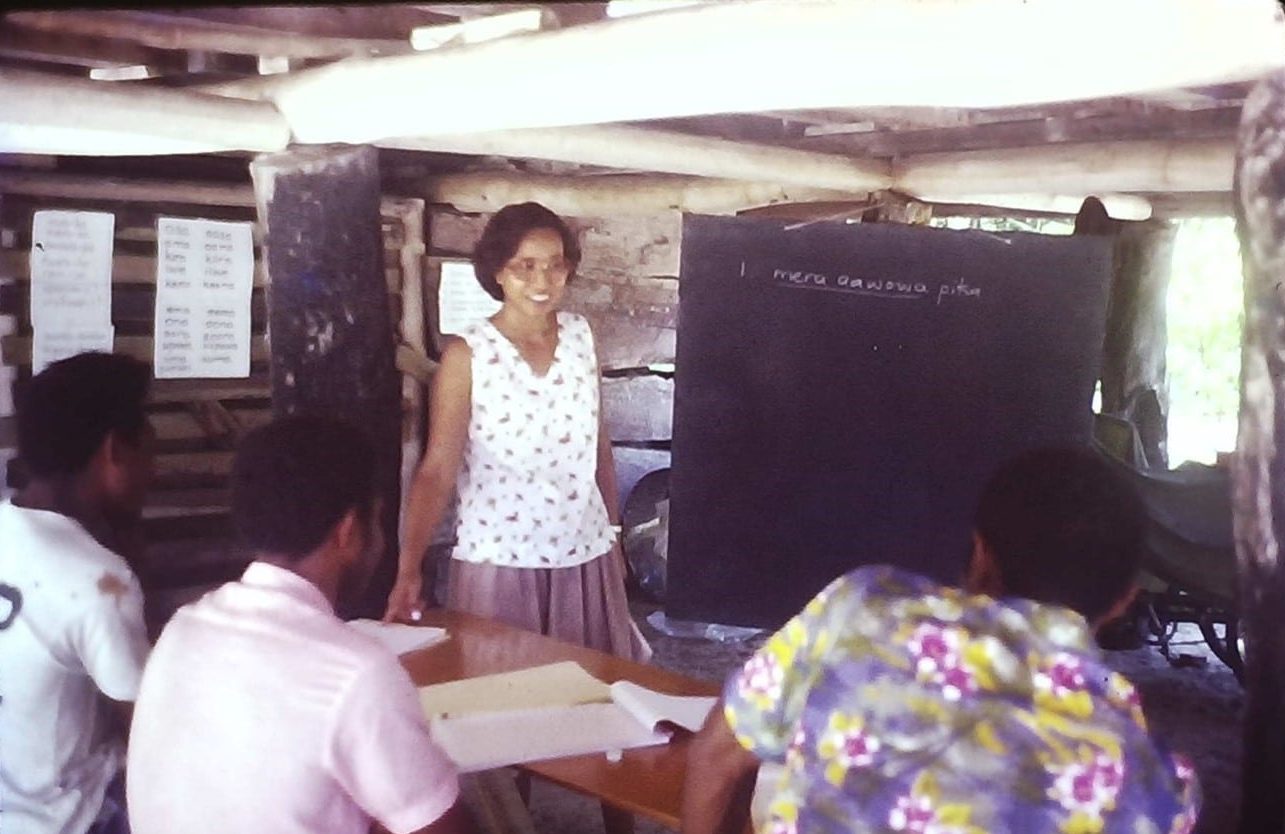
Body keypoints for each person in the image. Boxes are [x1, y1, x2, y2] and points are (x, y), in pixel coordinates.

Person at [682, 446, 1200, 834]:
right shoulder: (1154, 786)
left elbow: (716, 757)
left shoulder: (860, 607)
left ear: (979, 555)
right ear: (1121, 603)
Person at [127, 416, 471, 834]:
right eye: (377, 520)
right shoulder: (356, 672)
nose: (380, 539)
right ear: (347, 531)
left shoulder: (183, 631)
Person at [385, 201, 648, 662]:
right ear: (498, 273)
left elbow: (597, 444)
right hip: (501, 560)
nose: (542, 282)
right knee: (505, 699)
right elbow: (438, 470)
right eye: (525, 267)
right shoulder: (468, 356)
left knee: (585, 703)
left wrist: (613, 533)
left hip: (582, 556)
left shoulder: (581, 337)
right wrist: (408, 570)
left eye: (555, 266)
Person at [0, 351, 155, 834]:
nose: (157, 466)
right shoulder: (99, 582)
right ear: (114, 451)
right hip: (60, 821)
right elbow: (149, 729)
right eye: (151, 447)